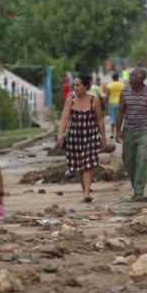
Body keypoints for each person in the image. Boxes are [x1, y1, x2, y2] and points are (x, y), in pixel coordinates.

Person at [115, 67, 147, 200]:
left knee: (142, 158)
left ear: (141, 79)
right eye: (129, 76)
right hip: (128, 130)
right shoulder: (124, 92)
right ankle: (136, 186)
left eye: (132, 76)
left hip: (144, 131)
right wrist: (118, 131)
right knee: (129, 160)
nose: (129, 78)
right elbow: (120, 112)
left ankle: (139, 191)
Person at [57, 74, 106, 203]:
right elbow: (65, 118)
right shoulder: (70, 100)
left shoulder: (94, 100)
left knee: (88, 165)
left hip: (91, 136)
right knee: (80, 166)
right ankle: (85, 191)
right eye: (74, 85)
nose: (75, 87)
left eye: (78, 85)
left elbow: (100, 120)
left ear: (85, 86)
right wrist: (60, 134)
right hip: (75, 138)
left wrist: (103, 137)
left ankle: (86, 193)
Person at [106, 73, 125, 138]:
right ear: (118, 78)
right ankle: (119, 132)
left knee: (112, 118)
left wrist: (106, 104)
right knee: (120, 118)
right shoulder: (122, 85)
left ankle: (112, 133)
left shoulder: (109, 85)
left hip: (112, 103)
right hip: (120, 103)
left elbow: (107, 95)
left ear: (112, 78)